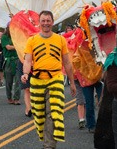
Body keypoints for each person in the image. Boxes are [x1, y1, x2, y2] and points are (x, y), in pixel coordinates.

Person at [21, 10, 76, 149]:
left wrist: (73, 83)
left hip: (55, 79)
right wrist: (25, 74)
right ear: (39, 22)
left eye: (48, 20)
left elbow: (67, 63)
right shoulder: (32, 40)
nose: (46, 23)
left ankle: (49, 146)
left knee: (53, 113)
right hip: (37, 80)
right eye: (43, 20)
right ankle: (47, 141)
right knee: (39, 115)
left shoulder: (60, 39)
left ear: (52, 22)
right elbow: (27, 61)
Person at [1, 25, 21, 105]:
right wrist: (17, 46)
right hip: (9, 61)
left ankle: (16, 98)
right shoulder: (4, 37)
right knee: (8, 81)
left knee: (18, 81)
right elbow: (8, 47)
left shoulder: (17, 36)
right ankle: (9, 97)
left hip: (17, 60)